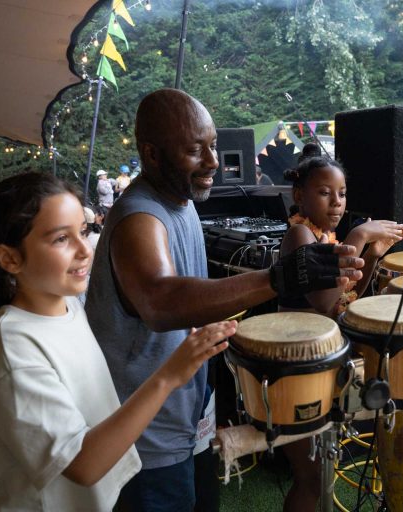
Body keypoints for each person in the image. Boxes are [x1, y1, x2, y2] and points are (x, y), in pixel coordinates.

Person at [84, 88, 363, 512]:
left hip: (186, 415)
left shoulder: (181, 204)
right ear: (152, 154)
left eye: (213, 146)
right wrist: (278, 278)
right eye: (195, 150)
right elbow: (160, 301)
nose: (214, 161)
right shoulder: (139, 216)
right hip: (146, 433)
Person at [0, 171, 235, 511]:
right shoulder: (14, 350)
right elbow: (83, 464)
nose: (85, 249)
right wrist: (169, 376)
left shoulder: (69, 305)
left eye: (83, 231)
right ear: (10, 258)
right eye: (61, 239)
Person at [277, 155, 403, 511]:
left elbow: (344, 299)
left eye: (342, 193)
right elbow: (322, 302)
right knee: (311, 477)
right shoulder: (300, 234)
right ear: (299, 196)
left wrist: (373, 255)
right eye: (325, 193)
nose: (337, 202)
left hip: (317, 361)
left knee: (321, 472)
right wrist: (359, 235)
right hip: (295, 368)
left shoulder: (325, 237)